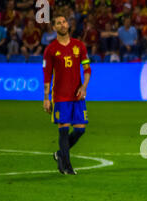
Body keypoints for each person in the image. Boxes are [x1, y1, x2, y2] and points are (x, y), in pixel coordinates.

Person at [43, 14, 92, 175]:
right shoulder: (51, 49)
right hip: (61, 97)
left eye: (64, 22)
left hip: (77, 95)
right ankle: (67, 166)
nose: (63, 25)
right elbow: (47, 75)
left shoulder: (79, 45)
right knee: (63, 130)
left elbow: (87, 69)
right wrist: (46, 98)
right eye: (59, 23)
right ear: (54, 28)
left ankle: (60, 154)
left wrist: (84, 87)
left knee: (80, 129)